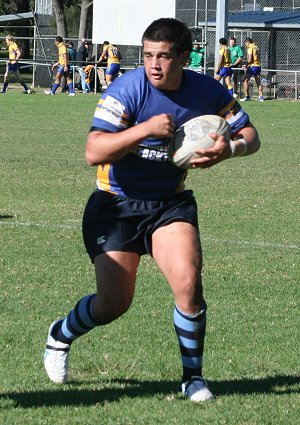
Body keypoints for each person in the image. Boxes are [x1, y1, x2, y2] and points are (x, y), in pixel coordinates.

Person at [44, 18, 260, 403]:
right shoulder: (126, 89)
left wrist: (230, 149)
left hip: (168, 204)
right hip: (115, 204)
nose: (154, 64)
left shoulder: (207, 90)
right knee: (113, 304)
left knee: (189, 284)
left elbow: (250, 135)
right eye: (147, 55)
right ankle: (61, 333)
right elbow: (94, 151)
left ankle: (192, 378)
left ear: (183, 57)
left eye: (163, 56)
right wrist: (143, 130)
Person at [241, 37, 264, 102]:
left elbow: (250, 59)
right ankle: (261, 97)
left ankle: (247, 96)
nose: (245, 45)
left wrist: (245, 65)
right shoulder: (256, 47)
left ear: (247, 43)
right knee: (258, 81)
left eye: (245, 44)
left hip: (253, 66)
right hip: (258, 66)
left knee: (245, 80)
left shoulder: (250, 48)